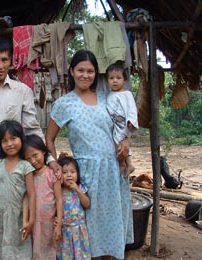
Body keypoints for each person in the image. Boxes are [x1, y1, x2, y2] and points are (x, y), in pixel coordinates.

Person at [0, 37, 60, 259]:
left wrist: (50, 159)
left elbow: (33, 129)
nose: (0, 65)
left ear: (11, 62)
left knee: (15, 215)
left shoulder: (21, 91)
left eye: (5, 60)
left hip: (13, 158)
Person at [46, 50, 133, 260]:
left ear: (96, 74)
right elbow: (48, 139)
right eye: (81, 70)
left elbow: (121, 128)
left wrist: (126, 142)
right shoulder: (64, 104)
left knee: (112, 222)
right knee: (89, 226)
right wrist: (54, 164)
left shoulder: (107, 98)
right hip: (86, 173)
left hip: (112, 170)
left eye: (90, 71)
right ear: (72, 72)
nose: (85, 75)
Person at [0, 120, 36, 259]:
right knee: (1, 251)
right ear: (0, 144)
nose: (9, 144)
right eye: (4, 140)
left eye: (13, 138)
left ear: (21, 139)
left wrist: (31, 220)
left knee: (20, 253)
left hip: (18, 219)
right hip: (0, 217)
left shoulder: (25, 166)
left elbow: (31, 195)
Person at [23, 134, 63, 260]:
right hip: (33, 223)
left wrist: (59, 222)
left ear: (44, 152)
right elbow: (25, 198)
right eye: (28, 159)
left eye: (35, 155)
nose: (33, 161)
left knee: (51, 251)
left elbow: (59, 199)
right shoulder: (28, 176)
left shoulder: (51, 174)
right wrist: (26, 221)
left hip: (50, 223)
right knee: (35, 252)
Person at [106, 63, 138, 177]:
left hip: (124, 124)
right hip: (115, 124)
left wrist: (131, 121)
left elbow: (132, 108)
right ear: (107, 80)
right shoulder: (109, 95)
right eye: (111, 78)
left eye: (118, 78)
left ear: (124, 80)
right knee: (116, 143)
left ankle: (124, 164)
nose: (115, 81)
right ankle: (128, 164)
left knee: (119, 143)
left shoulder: (126, 94)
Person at [56, 154, 91, 260]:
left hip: (79, 230)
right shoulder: (58, 191)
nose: (69, 175)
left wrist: (77, 190)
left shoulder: (80, 188)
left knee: (80, 255)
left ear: (78, 173)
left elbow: (87, 204)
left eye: (72, 172)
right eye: (64, 172)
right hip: (64, 230)